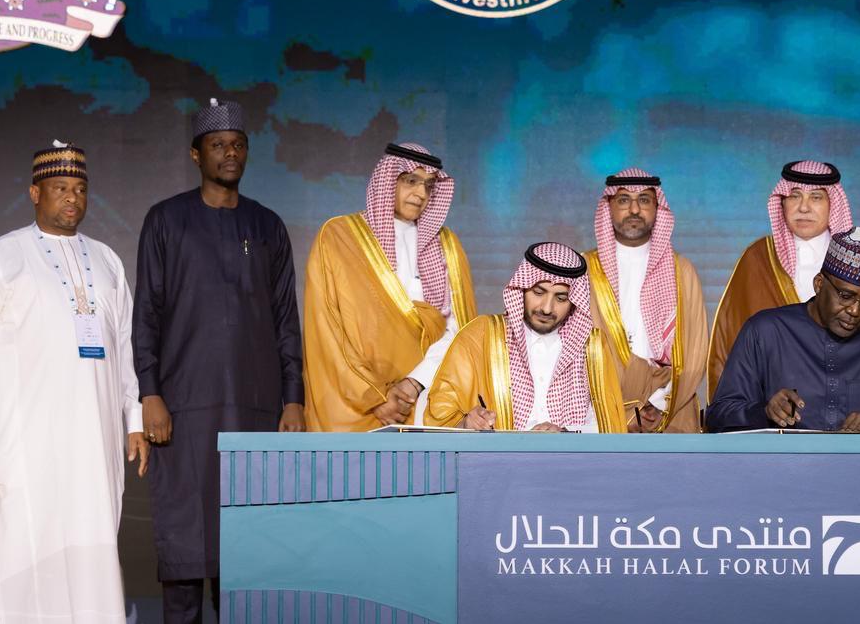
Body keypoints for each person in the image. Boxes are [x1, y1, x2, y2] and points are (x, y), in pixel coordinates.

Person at [0, 142, 146, 624]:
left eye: (80, 189)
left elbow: (125, 348)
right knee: (20, 536)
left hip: (94, 431)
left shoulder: (106, 261)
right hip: (22, 429)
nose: (72, 199)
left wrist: (133, 416)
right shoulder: (2, 257)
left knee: (89, 536)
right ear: (35, 192)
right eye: (61, 189)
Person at [133, 99, 305, 624]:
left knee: (244, 540)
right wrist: (149, 392)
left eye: (238, 144)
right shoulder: (166, 220)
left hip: (256, 407)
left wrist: (293, 398)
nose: (229, 154)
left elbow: (286, 320)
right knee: (186, 535)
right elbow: (147, 313)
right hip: (182, 405)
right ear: (196, 154)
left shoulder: (267, 225)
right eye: (217, 145)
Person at [706, 226, 860, 433]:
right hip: (784, 470)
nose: (855, 311)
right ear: (819, 284)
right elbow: (718, 416)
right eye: (845, 296)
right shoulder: (765, 331)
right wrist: (764, 412)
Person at [302, 142, 476, 430]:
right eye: (411, 181)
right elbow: (328, 330)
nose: (421, 194)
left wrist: (413, 383)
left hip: (423, 399)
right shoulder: (339, 236)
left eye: (428, 185)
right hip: (352, 401)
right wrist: (375, 396)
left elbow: (459, 332)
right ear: (388, 180)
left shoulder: (447, 246)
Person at [708, 160, 860, 397]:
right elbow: (729, 340)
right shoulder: (757, 257)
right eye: (794, 196)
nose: (804, 208)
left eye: (816, 197)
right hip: (776, 402)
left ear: (833, 203)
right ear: (782, 202)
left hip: (852, 397)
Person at [425, 242, 626, 432]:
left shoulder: (592, 346)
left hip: (569, 456)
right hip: (494, 455)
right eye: (538, 292)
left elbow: (608, 425)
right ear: (522, 289)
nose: (547, 308)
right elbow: (440, 413)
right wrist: (466, 423)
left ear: (574, 301)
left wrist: (565, 434)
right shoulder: (481, 335)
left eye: (561, 298)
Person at [583, 168, 707, 432]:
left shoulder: (682, 271)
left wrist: (660, 404)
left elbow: (695, 351)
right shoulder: (583, 269)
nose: (634, 210)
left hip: (669, 407)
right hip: (598, 407)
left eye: (644, 200)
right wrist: (620, 410)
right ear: (609, 207)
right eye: (624, 200)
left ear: (657, 207)